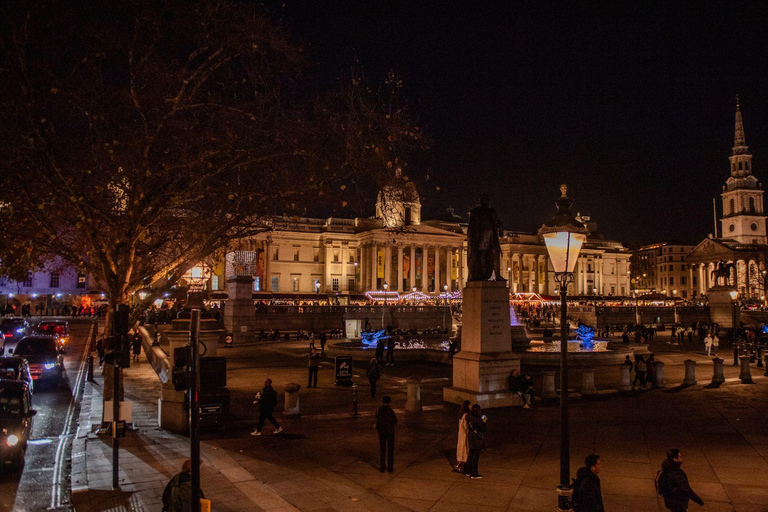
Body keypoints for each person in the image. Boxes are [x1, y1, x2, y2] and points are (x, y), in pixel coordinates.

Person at [375, 396, 397, 473]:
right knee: (390, 449)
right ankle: (390, 467)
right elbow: (394, 421)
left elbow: (377, 419)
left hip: (381, 432)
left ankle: (382, 467)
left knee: (382, 449)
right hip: (390, 432)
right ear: (389, 402)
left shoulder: (379, 410)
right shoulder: (390, 411)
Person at [464, 404, 486, 479]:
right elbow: (483, 429)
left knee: (471, 454)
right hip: (476, 438)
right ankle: (474, 473)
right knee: (476, 456)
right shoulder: (477, 420)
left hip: (471, 436)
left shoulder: (468, 417)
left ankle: (468, 471)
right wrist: (484, 421)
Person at [454, 400, 471, 473]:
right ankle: (462, 465)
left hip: (460, 433)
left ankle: (459, 462)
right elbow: (465, 426)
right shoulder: (466, 415)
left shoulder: (461, 414)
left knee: (461, 448)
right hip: (464, 434)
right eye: (470, 405)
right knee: (465, 448)